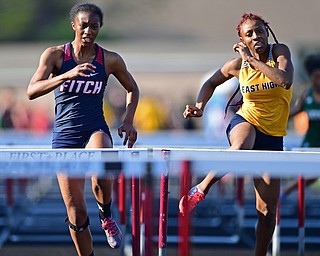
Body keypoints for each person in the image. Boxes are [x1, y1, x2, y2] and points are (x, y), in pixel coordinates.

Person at [27, 3, 139, 256]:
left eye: (95, 26)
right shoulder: (55, 55)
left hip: (94, 128)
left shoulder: (109, 59)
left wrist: (128, 119)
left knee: (101, 163)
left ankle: (107, 216)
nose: (89, 30)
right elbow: (32, 90)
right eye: (84, 25)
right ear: (73, 25)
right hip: (65, 135)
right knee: (75, 211)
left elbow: (132, 88)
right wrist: (66, 76)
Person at [179, 13, 293, 256]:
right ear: (241, 39)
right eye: (249, 34)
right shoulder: (237, 65)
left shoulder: (280, 52)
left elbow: (284, 80)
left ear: (267, 32)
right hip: (246, 121)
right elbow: (211, 82)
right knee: (240, 146)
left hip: (273, 137)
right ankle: (201, 188)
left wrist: (252, 60)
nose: (256, 36)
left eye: (259, 31)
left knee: (267, 212)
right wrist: (200, 106)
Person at [280, 54, 320, 201]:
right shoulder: (306, 95)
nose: (318, 80)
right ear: (311, 77)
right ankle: (284, 192)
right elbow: (292, 113)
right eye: (316, 77)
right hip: (310, 143)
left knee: (314, 175)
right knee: (307, 175)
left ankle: (285, 191)